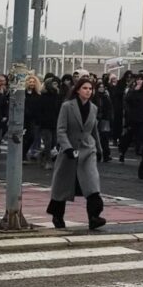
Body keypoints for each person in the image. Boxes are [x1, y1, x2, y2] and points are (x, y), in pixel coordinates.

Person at [47, 77, 106, 230]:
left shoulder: (93, 108)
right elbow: (61, 129)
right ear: (78, 90)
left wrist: (99, 149)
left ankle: (94, 217)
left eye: (90, 89)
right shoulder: (67, 106)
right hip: (69, 151)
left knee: (92, 185)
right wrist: (67, 148)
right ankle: (57, 216)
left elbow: (94, 131)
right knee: (63, 186)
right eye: (85, 88)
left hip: (87, 150)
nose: (88, 91)